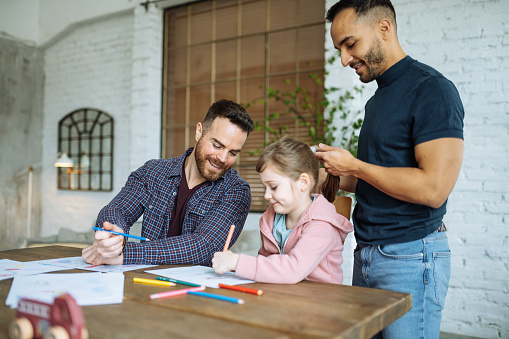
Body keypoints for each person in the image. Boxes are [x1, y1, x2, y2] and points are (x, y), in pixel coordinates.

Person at [315, 1, 465, 338]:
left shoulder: (432, 90)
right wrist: (332, 174)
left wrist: (355, 164)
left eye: (350, 44)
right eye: (339, 48)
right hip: (367, 254)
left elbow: (433, 188)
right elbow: (376, 179)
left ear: (384, 28)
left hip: (411, 258)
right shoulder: (377, 100)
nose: (344, 59)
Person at [82, 99, 254, 266]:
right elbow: (116, 209)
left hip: (197, 291)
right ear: (199, 132)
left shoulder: (236, 191)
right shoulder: (153, 172)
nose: (223, 158)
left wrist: (127, 254)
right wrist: (113, 234)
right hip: (144, 283)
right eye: (217, 145)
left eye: (233, 153)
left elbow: (204, 246)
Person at [212, 136, 353, 284]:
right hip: (285, 296)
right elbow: (267, 264)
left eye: (273, 187)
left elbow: (293, 270)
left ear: (303, 183)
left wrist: (236, 262)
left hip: (320, 301)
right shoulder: (271, 220)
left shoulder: (322, 225)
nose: (267, 195)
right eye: (264, 187)